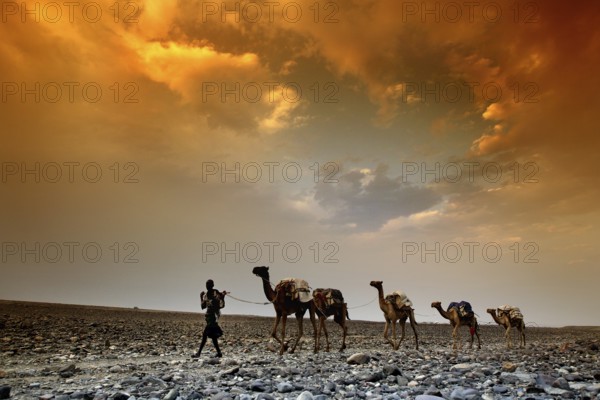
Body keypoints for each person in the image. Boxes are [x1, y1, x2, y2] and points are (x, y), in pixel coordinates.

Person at [192, 279, 227, 358]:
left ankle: (198, 353)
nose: (208, 286)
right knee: (213, 337)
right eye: (207, 285)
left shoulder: (215, 293)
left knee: (205, 334)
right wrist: (201, 297)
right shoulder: (206, 295)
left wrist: (222, 297)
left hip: (213, 317)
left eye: (209, 285)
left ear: (212, 285)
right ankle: (219, 353)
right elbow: (203, 306)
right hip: (209, 317)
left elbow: (219, 304)